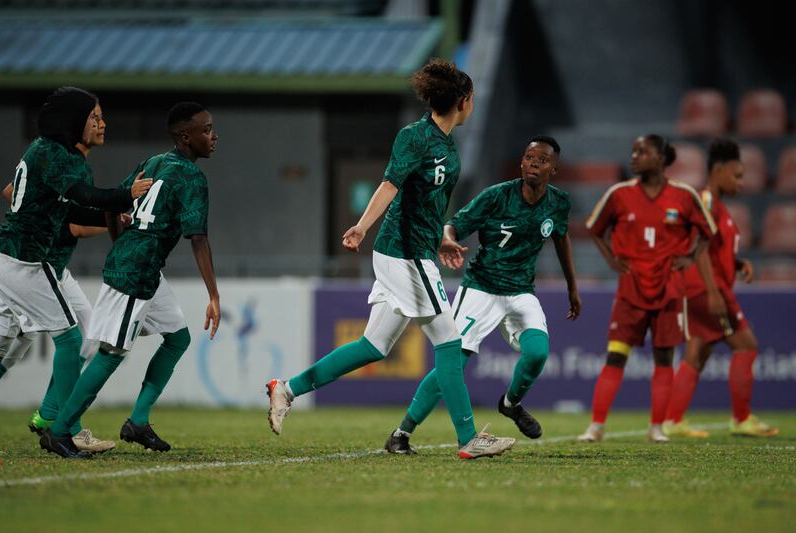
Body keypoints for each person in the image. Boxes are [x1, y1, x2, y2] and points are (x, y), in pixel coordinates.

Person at [266, 59, 515, 459]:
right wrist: (361, 226)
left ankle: (286, 389)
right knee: (451, 344)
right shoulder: (414, 137)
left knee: (373, 345)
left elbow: (425, 205)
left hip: (417, 251)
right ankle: (468, 438)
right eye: (472, 98)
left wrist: (439, 242)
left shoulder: (447, 144)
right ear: (464, 101)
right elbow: (389, 184)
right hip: (404, 256)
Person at [39, 101, 221, 459]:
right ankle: (59, 430)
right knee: (111, 353)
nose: (214, 137)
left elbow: (114, 203)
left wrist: (121, 244)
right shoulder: (191, 176)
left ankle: (137, 421)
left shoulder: (153, 162)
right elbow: (198, 238)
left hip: (142, 265)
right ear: (186, 136)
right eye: (207, 130)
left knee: (178, 337)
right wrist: (213, 295)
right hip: (136, 271)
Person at [384, 136, 581, 454]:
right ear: (522, 162)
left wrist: (572, 286)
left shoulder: (558, 202)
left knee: (538, 353)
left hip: (520, 291)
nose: (534, 162)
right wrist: (447, 239)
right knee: (452, 364)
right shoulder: (497, 197)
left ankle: (510, 404)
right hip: (481, 288)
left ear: (554, 169)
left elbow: (561, 237)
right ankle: (401, 433)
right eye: (529, 157)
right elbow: (454, 225)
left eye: (542, 160)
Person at [0, 86, 151, 459]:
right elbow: (87, 197)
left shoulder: (53, 153)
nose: (102, 123)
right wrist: (125, 195)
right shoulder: (55, 153)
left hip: (11, 260)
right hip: (26, 263)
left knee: (6, 349)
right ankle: (60, 427)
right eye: (94, 117)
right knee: (70, 338)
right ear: (72, 120)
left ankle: (58, 421)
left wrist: (114, 212)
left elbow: (72, 210)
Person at [577, 134, 717, 444]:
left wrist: (691, 256)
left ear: (661, 159)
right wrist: (612, 261)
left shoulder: (683, 196)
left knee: (664, 358)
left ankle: (657, 427)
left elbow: (708, 231)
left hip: (669, 288)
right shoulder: (619, 194)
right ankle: (596, 426)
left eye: (643, 151)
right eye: (634, 151)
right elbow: (595, 228)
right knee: (616, 356)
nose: (635, 156)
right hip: (630, 288)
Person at [663, 138, 778, 438]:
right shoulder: (708, 201)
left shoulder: (718, 207)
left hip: (705, 288)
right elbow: (698, 248)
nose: (741, 183)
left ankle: (672, 421)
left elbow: (714, 248)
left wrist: (738, 264)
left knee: (698, 352)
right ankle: (741, 418)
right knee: (746, 345)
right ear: (719, 170)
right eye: (737, 175)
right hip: (707, 290)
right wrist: (714, 292)